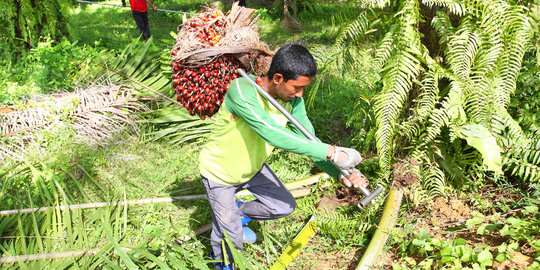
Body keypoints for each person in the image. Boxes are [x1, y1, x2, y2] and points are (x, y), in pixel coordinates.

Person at [199, 43, 368, 270]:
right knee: (231, 238)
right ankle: (222, 263)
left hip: (252, 168)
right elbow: (271, 132)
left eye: (303, 89)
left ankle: (238, 211)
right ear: (277, 77)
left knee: (283, 206)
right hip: (220, 173)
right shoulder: (242, 90)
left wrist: (341, 173)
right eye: (297, 87)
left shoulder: (293, 102)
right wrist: (332, 151)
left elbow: (309, 141)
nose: (300, 95)